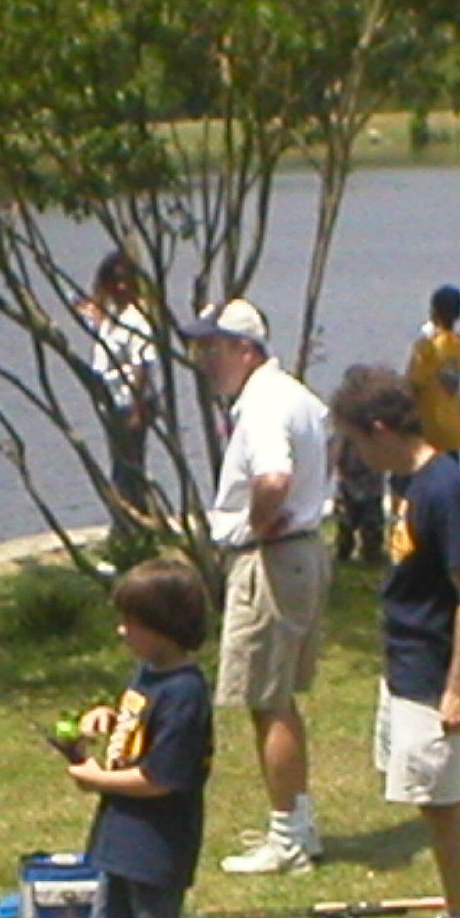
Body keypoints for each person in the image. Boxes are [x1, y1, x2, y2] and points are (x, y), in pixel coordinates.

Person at [329, 365, 460, 918]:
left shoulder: (445, 489)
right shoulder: (412, 484)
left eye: (357, 443)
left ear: (379, 429)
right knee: (426, 802)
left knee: (442, 803)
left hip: (431, 672)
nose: (356, 457)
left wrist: (456, 687)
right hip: (403, 666)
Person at [180, 298, 331, 875]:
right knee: (278, 696)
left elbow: (274, 476)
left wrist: (263, 518)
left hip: (271, 557)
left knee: (266, 700)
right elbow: (328, 440)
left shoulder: (263, 406)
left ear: (245, 348)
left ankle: (287, 835)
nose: (205, 361)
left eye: (213, 348)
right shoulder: (295, 395)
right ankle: (297, 821)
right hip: (302, 552)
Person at [64, 558, 212, 918]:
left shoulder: (186, 693)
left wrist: (97, 778)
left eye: (132, 621)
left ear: (165, 624)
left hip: (158, 839)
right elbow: (136, 732)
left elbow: (159, 778)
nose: (122, 630)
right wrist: (107, 717)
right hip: (120, 833)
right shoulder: (148, 674)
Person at [78, 250, 158, 523]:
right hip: (112, 402)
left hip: (130, 403)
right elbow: (91, 317)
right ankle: (128, 524)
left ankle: (134, 525)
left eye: (126, 281)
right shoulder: (111, 317)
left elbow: (143, 365)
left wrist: (136, 410)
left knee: (129, 471)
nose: (121, 287)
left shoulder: (137, 319)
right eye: (115, 281)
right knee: (121, 468)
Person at [407, 284, 460, 461]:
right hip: (454, 426)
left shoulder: (427, 347)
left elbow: (414, 383)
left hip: (430, 427)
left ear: (433, 311)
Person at [332, 432, 386, 565]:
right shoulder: (347, 428)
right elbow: (338, 449)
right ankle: (344, 552)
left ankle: (371, 554)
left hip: (371, 478)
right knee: (346, 521)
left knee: (371, 521)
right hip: (350, 478)